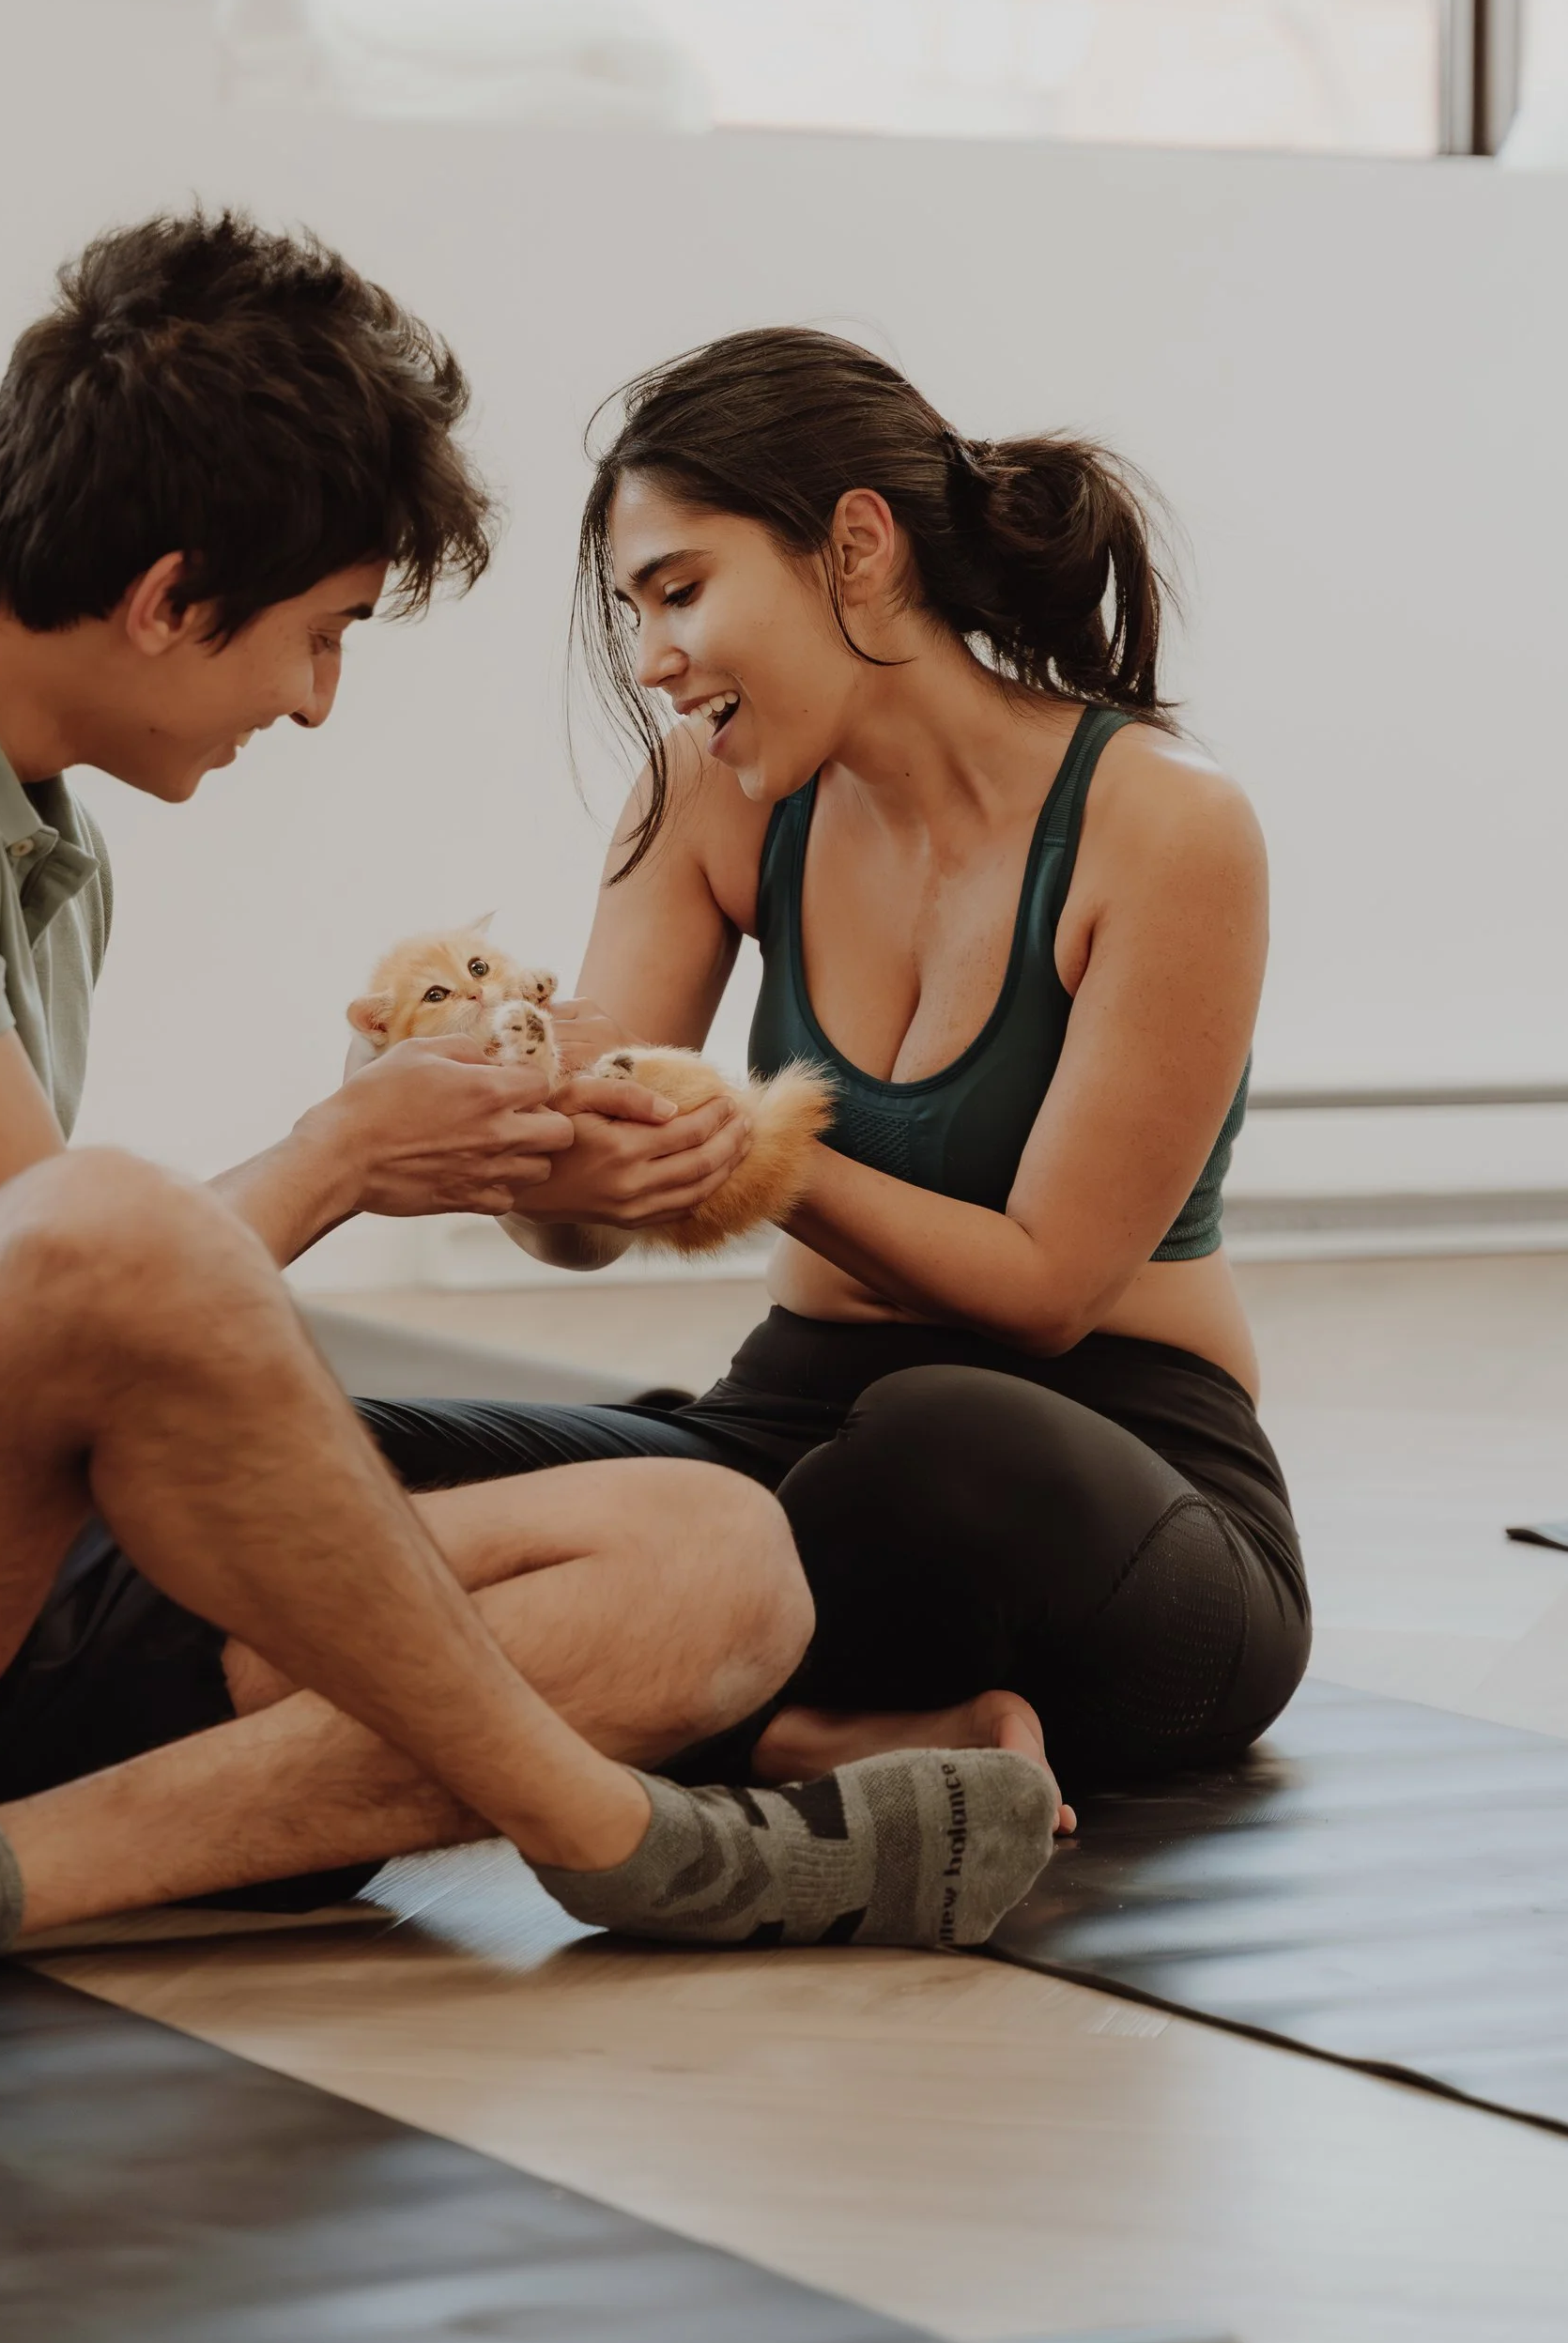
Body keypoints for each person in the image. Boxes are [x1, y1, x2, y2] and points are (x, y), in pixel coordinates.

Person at [0, 221, 1061, 2037]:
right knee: (111, 1232)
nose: (312, 695)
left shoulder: (30, 812)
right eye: (317, 635)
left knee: (715, 1549)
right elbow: (48, 1286)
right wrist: (347, 1154)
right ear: (166, 595)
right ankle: (617, 1835)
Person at [361, 330, 1310, 1801]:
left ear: (855, 547)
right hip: (785, 1434)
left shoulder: (1166, 826)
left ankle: (684, 1681)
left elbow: (1049, 1287)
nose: (653, 661)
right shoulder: (703, 794)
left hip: (1111, 1483)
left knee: (927, 1439)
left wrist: (745, 1151)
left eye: (680, 591)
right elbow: (577, 1234)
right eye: (634, 609)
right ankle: (810, 1727)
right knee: (333, 1447)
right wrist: (502, 1115)